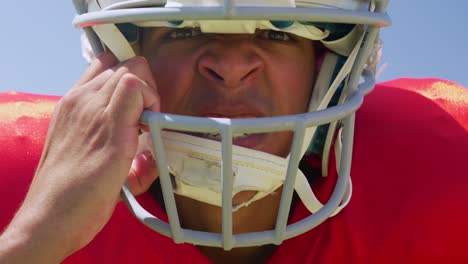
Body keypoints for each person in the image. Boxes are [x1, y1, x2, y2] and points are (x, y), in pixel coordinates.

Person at [0, 0, 467, 263]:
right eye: (181, 31)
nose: (229, 65)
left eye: (279, 32)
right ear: (121, 52)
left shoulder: (448, 162)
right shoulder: (18, 175)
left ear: (328, 70)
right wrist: (35, 238)